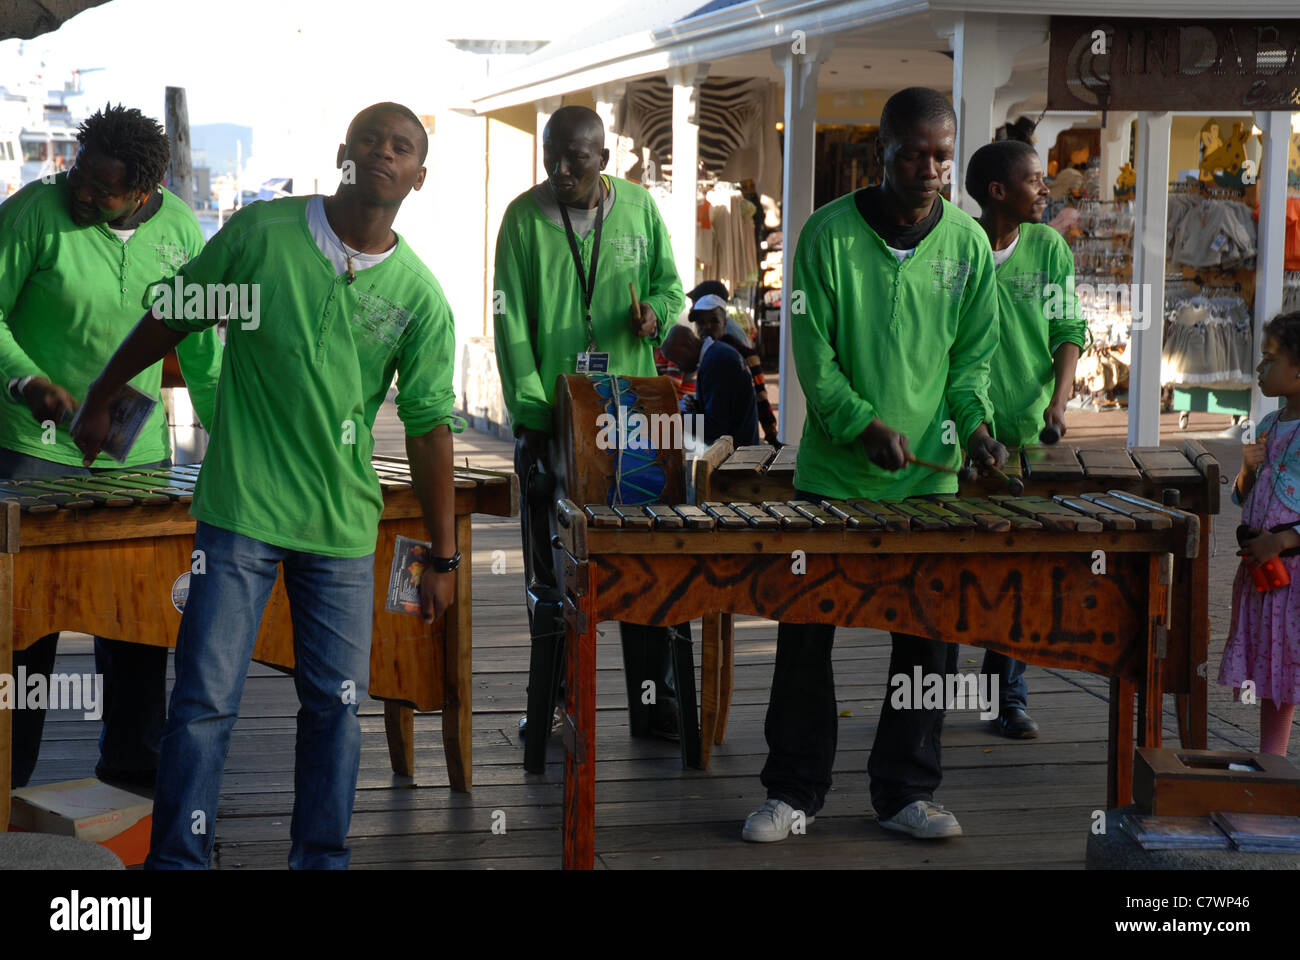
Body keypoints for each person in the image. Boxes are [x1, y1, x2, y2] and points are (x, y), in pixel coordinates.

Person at [72, 102, 460, 869]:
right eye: (373, 139)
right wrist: (102, 392)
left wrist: (444, 560)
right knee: (204, 705)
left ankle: (320, 861)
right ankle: (178, 863)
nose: (386, 151)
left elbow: (428, 427)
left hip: (342, 530)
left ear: (419, 176)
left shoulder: (419, 297)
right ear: (344, 151)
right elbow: (173, 317)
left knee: (337, 712)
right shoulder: (262, 235)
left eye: (403, 147)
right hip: (240, 512)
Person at [742, 87, 1006, 844]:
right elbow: (812, 359)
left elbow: (971, 362)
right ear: (881, 152)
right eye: (914, 153)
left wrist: (978, 430)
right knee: (804, 636)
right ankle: (793, 792)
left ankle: (905, 793)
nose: (930, 169)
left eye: (943, 155)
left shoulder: (965, 245)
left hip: (931, 480)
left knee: (928, 639)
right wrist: (860, 424)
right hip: (834, 476)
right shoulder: (823, 236)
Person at [0, 104, 222, 790]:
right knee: (23, 635)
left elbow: (205, 350)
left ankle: (131, 772)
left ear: (145, 189)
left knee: (135, 626)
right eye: (79, 174)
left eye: (102, 187)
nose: (83, 192)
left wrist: (225, 445)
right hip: (29, 455)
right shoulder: (35, 213)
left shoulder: (184, 229)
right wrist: (25, 379)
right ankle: (10, 778)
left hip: (139, 460)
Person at [493, 105, 688, 742]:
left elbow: (669, 287)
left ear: (604, 159)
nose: (561, 168)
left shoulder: (638, 209)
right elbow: (509, 323)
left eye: (577, 156)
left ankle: (651, 705)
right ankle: (553, 704)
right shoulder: (523, 219)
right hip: (550, 418)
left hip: (627, 416)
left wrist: (655, 315)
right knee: (550, 571)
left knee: (636, 559)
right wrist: (533, 414)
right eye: (552, 154)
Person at [966, 139, 1086, 739]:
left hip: (1031, 433)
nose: (1046, 190)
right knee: (962, 565)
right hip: (960, 435)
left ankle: (1005, 696)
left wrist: (1060, 402)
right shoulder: (955, 249)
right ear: (997, 193)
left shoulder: (1048, 249)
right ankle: (924, 694)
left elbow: (1068, 326)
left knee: (1020, 570)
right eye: (1035, 180)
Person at [1223, 311, 1300, 757]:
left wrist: (1283, 541)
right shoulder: (1269, 425)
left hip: (1292, 572)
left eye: (1270, 360)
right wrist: (1247, 471)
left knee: (1292, 666)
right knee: (1275, 674)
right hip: (1263, 574)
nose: (1259, 369)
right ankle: (1275, 761)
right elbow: (1241, 496)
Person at [687, 292, 779, 445]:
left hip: (735, 451)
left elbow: (760, 395)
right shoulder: (709, 353)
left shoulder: (729, 354)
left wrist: (771, 435)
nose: (707, 327)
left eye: (713, 321)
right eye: (701, 322)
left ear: (724, 323)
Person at [661, 324, 758, 447]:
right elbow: (725, 408)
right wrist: (698, 406)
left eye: (676, 360)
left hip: (739, 452)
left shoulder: (715, 362)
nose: (679, 367)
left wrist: (675, 418)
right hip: (742, 444)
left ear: (687, 347)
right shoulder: (717, 352)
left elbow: (716, 427)